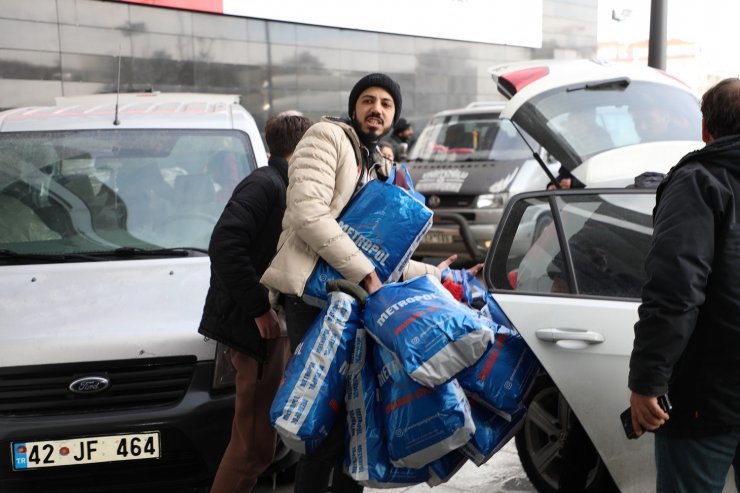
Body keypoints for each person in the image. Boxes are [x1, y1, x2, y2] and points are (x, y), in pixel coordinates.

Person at [260, 73, 457, 493]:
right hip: (312, 300)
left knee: (357, 424)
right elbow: (308, 213)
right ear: (354, 108)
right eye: (369, 100)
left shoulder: (377, 163)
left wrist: (436, 274)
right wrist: (365, 274)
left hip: (352, 298)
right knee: (324, 425)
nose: (377, 109)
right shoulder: (326, 137)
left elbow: (379, 250)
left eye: (387, 104)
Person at [628, 77, 740, 493]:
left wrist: (647, 381)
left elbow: (676, 290)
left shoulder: (698, 181)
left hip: (706, 394)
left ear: (706, 129)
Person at [198, 111, 313, 493]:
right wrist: (259, 309)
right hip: (256, 332)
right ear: (306, 146)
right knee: (252, 449)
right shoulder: (266, 185)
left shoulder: (283, 184)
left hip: (264, 329)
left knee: (256, 445)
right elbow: (225, 246)